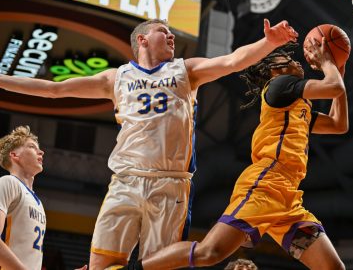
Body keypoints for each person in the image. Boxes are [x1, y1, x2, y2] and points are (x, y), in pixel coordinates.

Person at [0, 18, 297, 269]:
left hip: (170, 185)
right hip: (126, 181)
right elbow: (54, 90)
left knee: (156, 265)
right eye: (162, 31)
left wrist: (268, 43)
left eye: (171, 33)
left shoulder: (185, 70)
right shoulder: (116, 78)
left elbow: (233, 61)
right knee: (101, 265)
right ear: (142, 39)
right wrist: (3, 80)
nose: (171, 36)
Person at [121, 36, 348, 270]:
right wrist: (328, 62)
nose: (296, 61)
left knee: (333, 268)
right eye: (287, 59)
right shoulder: (280, 86)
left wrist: (339, 68)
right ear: (275, 70)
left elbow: (338, 124)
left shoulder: (298, 105)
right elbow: (333, 88)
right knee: (209, 253)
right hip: (264, 186)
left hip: (289, 199)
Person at [0, 126, 46, 270]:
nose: (41, 152)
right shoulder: (8, 182)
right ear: (14, 155)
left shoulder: (38, 202)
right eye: (32, 147)